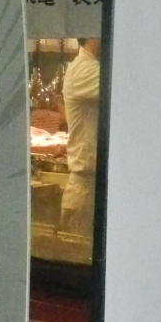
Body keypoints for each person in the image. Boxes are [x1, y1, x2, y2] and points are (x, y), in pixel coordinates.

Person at [60, 38, 101, 238]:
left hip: (92, 184)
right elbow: (127, 86)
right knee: (78, 248)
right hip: (85, 189)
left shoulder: (87, 67)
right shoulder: (84, 70)